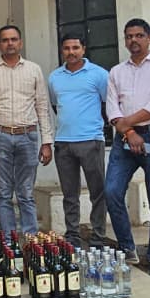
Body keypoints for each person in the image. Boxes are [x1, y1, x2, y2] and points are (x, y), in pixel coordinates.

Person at [105, 18, 150, 281]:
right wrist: (130, 132)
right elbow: (112, 107)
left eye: (138, 35)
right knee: (112, 191)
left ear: (149, 38)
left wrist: (127, 123)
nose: (133, 40)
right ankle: (127, 247)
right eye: (129, 36)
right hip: (125, 139)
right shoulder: (116, 72)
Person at [0, 25, 54, 236]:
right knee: (3, 193)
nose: (9, 43)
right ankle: (9, 243)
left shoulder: (34, 70)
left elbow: (42, 107)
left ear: (20, 43)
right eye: (5, 40)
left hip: (27, 136)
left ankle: (31, 240)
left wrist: (47, 142)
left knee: (26, 193)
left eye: (13, 39)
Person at [47, 33, 110, 248]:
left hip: (91, 140)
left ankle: (98, 236)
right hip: (63, 142)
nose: (71, 52)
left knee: (98, 192)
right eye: (67, 48)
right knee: (69, 194)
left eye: (75, 48)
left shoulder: (99, 74)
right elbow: (56, 106)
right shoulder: (54, 77)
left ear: (83, 49)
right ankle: (72, 236)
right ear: (62, 51)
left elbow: (107, 104)